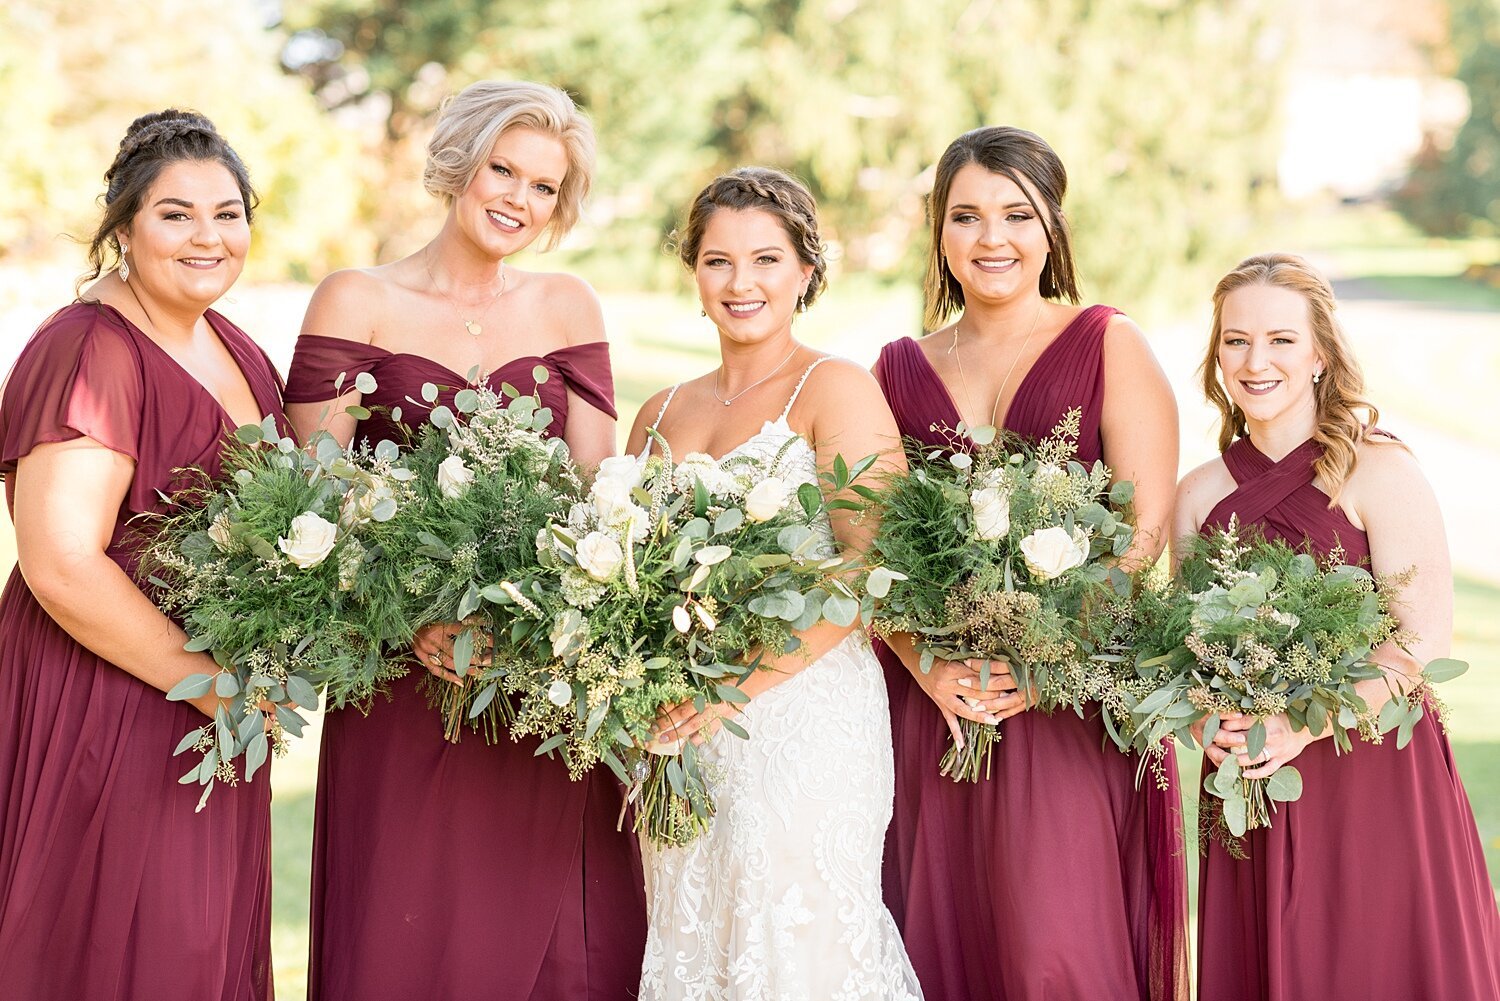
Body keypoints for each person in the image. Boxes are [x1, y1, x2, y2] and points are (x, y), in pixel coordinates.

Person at [284, 81, 644, 1000]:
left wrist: (549, 619)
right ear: (461, 164)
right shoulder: (355, 297)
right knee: (403, 931)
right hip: (406, 675)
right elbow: (309, 508)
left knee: (560, 948)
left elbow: (594, 495)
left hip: (538, 677)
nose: (518, 200)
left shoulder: (569, 305)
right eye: (504, 170)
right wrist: (411, 624)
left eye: (544, 187)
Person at [873, 126, 1188, 1000]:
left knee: (1056, 949)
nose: (991, 238)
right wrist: (929, 664)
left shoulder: (1107, 343)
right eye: (966, 215)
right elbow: (869, 550)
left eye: (1016, 213)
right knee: (933, 939)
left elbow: (1142, 536)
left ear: (1052, 226)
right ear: (939, 231)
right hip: (931, 708)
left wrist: (1039, 663)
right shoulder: (898, 369)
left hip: (1066, 700)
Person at [0, 109, 282, 1000]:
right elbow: (61, 563)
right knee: (121, 953)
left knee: (195, 952)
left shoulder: (235, 345)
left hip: (210, 710)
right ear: (123, 227)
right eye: (176, 214)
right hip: (107, 700)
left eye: (227, 213)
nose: (209, 237)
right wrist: (217, 683)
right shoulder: (90, 349)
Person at [626, 166, 922, 1000]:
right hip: (681, 728)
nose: (740, 282)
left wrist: (734, 688)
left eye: (765, 259)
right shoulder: (656, 412)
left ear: (805, 271)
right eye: (718, 261)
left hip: (803, 720)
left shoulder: (833, 387)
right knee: (695, 933)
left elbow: (869, 570)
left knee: (800, 943)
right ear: (694, 273)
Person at [1176, 252, 1500, 1000]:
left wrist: (1302, 725)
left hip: (1373, 771)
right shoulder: (1197, 497)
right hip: (1252, 783)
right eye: (1236, 340)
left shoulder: (1381, 472)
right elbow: (1186, 650)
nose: (1255, 361)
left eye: (1281, 340)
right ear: (1217, 352)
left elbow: (1421, 644)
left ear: (1320, 352)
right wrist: (1206, 725)